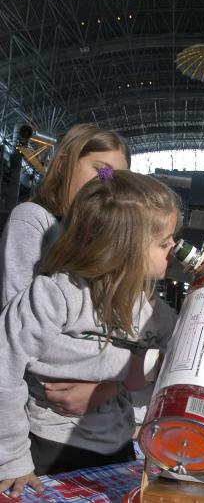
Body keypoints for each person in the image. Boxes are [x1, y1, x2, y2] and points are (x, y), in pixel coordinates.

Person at [0, 169, 180, 498]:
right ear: (124, 247)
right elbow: (3, 368)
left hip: (118, 446)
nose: (174, 250)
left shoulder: (152, 309)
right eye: (163, 243)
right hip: (48, 451)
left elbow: (181, 357)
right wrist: (12, 459)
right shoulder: (54, 295)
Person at [0, 123, 130, 416]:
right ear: (62, 165)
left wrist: (111, 385)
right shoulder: (34, 219)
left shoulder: (98, 243)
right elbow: (18, 337)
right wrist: (126, 367)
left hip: (99, 420)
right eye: (103, 171)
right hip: (41, 418)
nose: (108, 185)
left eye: (118, 180)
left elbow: (111, 332)